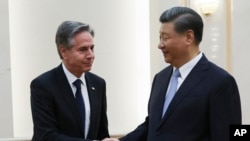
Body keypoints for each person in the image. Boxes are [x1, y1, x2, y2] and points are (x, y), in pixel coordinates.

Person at [103, 6, 242, 141]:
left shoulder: (220, 82)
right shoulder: (160, 78)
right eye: (160, 37)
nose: (160, 44)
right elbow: (153, 125)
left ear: (189, 37)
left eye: (165, 37)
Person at [30, 21, 109, 141]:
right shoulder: (43, 86)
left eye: (92, 48)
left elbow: (102, 132)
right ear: (63, 51)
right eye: (83, 49)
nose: (90, 55)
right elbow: (46, 136)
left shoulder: (98, 84)